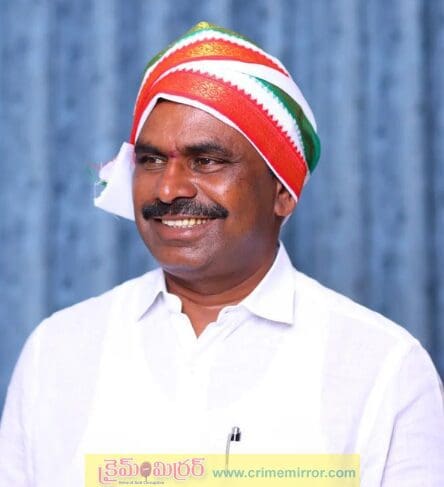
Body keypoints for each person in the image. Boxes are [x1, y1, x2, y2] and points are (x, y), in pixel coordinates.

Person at [0, 21, 443, 486]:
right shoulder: (58, 352)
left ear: (282, 192)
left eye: (206, 161)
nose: (168, 188)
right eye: (152, 161)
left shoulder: (382, 368)